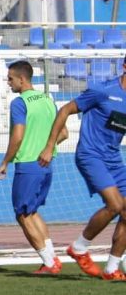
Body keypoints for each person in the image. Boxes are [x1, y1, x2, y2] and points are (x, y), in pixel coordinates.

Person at [39, 55, 126, 281]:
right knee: (115, 205)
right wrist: (50, 146)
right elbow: (65, 110)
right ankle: (79, 247)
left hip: (114, 159)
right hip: (90, 155)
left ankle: (111, 269)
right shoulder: (102, 90)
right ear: (124, 66)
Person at [0, 61, 67, 275]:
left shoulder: (19, 103)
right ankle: (52, 259)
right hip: (46, 165)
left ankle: (50, 263)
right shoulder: (47, 100)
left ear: (21, 79)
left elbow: (18, 135)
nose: (8, 83)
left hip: (28, 165)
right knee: (32, 212)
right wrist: (46, 150)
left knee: (22, 215)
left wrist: (5, 162)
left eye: (10, 79)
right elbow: (63, 134)